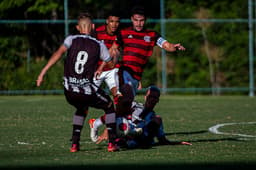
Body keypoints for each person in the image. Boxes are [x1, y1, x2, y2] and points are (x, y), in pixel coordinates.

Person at [36, 12, 119, 152]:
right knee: (110, 106)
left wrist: (42, 72)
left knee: (81, 107)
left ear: (78, 28)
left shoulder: (71, 39)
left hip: (69, 91)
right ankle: (112, 143)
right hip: (86, 90)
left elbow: (58, 54)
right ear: (92, 27)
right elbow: (111, 66)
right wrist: (115, 56)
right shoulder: (99, 45)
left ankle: (75, 144)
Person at [89, 85, 192, 148]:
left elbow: (163, 140)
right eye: (150, 96)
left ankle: (123, 140)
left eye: (152, 97)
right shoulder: (139, 108)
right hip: (129, 136)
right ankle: (119, 138)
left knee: (155, 120)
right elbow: (163, 140)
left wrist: (177, 143)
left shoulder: (152, 116)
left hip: (136, 139)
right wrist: (109, 128)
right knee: (122, 122)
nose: (151, 99)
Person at [114, 6, 186, 96]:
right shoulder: (123, 33)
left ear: (145, 20)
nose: (139, 24)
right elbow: (113, 50)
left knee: (128, 102)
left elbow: (166, 45)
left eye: (141, 20)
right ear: (131, 19)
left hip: (136, 76)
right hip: (123, 72)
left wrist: (174, 47)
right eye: (136, 20)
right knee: (123, 97)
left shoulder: (152, 35)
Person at [93, 11, 121, 104]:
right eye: (112, 21)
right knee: (88, 96)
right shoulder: (97, 33)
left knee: (117, 94)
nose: (114, 24)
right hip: (97, 69)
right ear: (107, 21)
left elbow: (112, 52)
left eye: (117, 22)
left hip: (112, 68)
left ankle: (120, 117)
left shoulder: (120, 35)